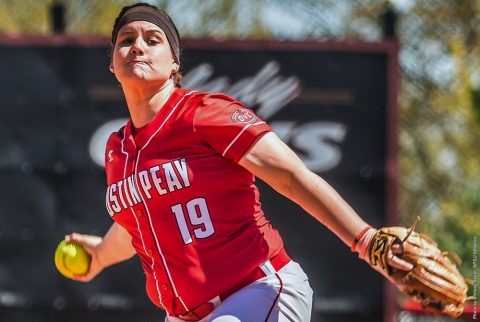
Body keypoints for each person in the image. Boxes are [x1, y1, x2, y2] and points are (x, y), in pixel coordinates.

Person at [65, 3, 412, 322]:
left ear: (174, 64)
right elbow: (139, 223)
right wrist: (100, 256)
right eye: (126, 40)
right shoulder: (118, 150)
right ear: (112, 63)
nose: (137, 47)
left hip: (258, 291)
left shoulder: (203, 113)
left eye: (153, 39)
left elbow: (291, 176)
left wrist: (366, 240)